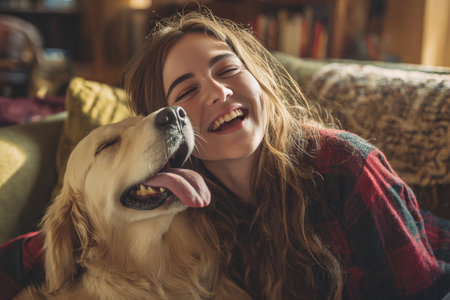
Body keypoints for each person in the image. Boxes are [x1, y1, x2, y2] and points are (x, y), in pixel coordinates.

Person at [1, 8, 450, 300]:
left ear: (261, 81)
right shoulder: (182, 197)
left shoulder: (347, 167)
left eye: (228, 70)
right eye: (186, 92)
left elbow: (424, 291)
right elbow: (60, 239)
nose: (217, 91)